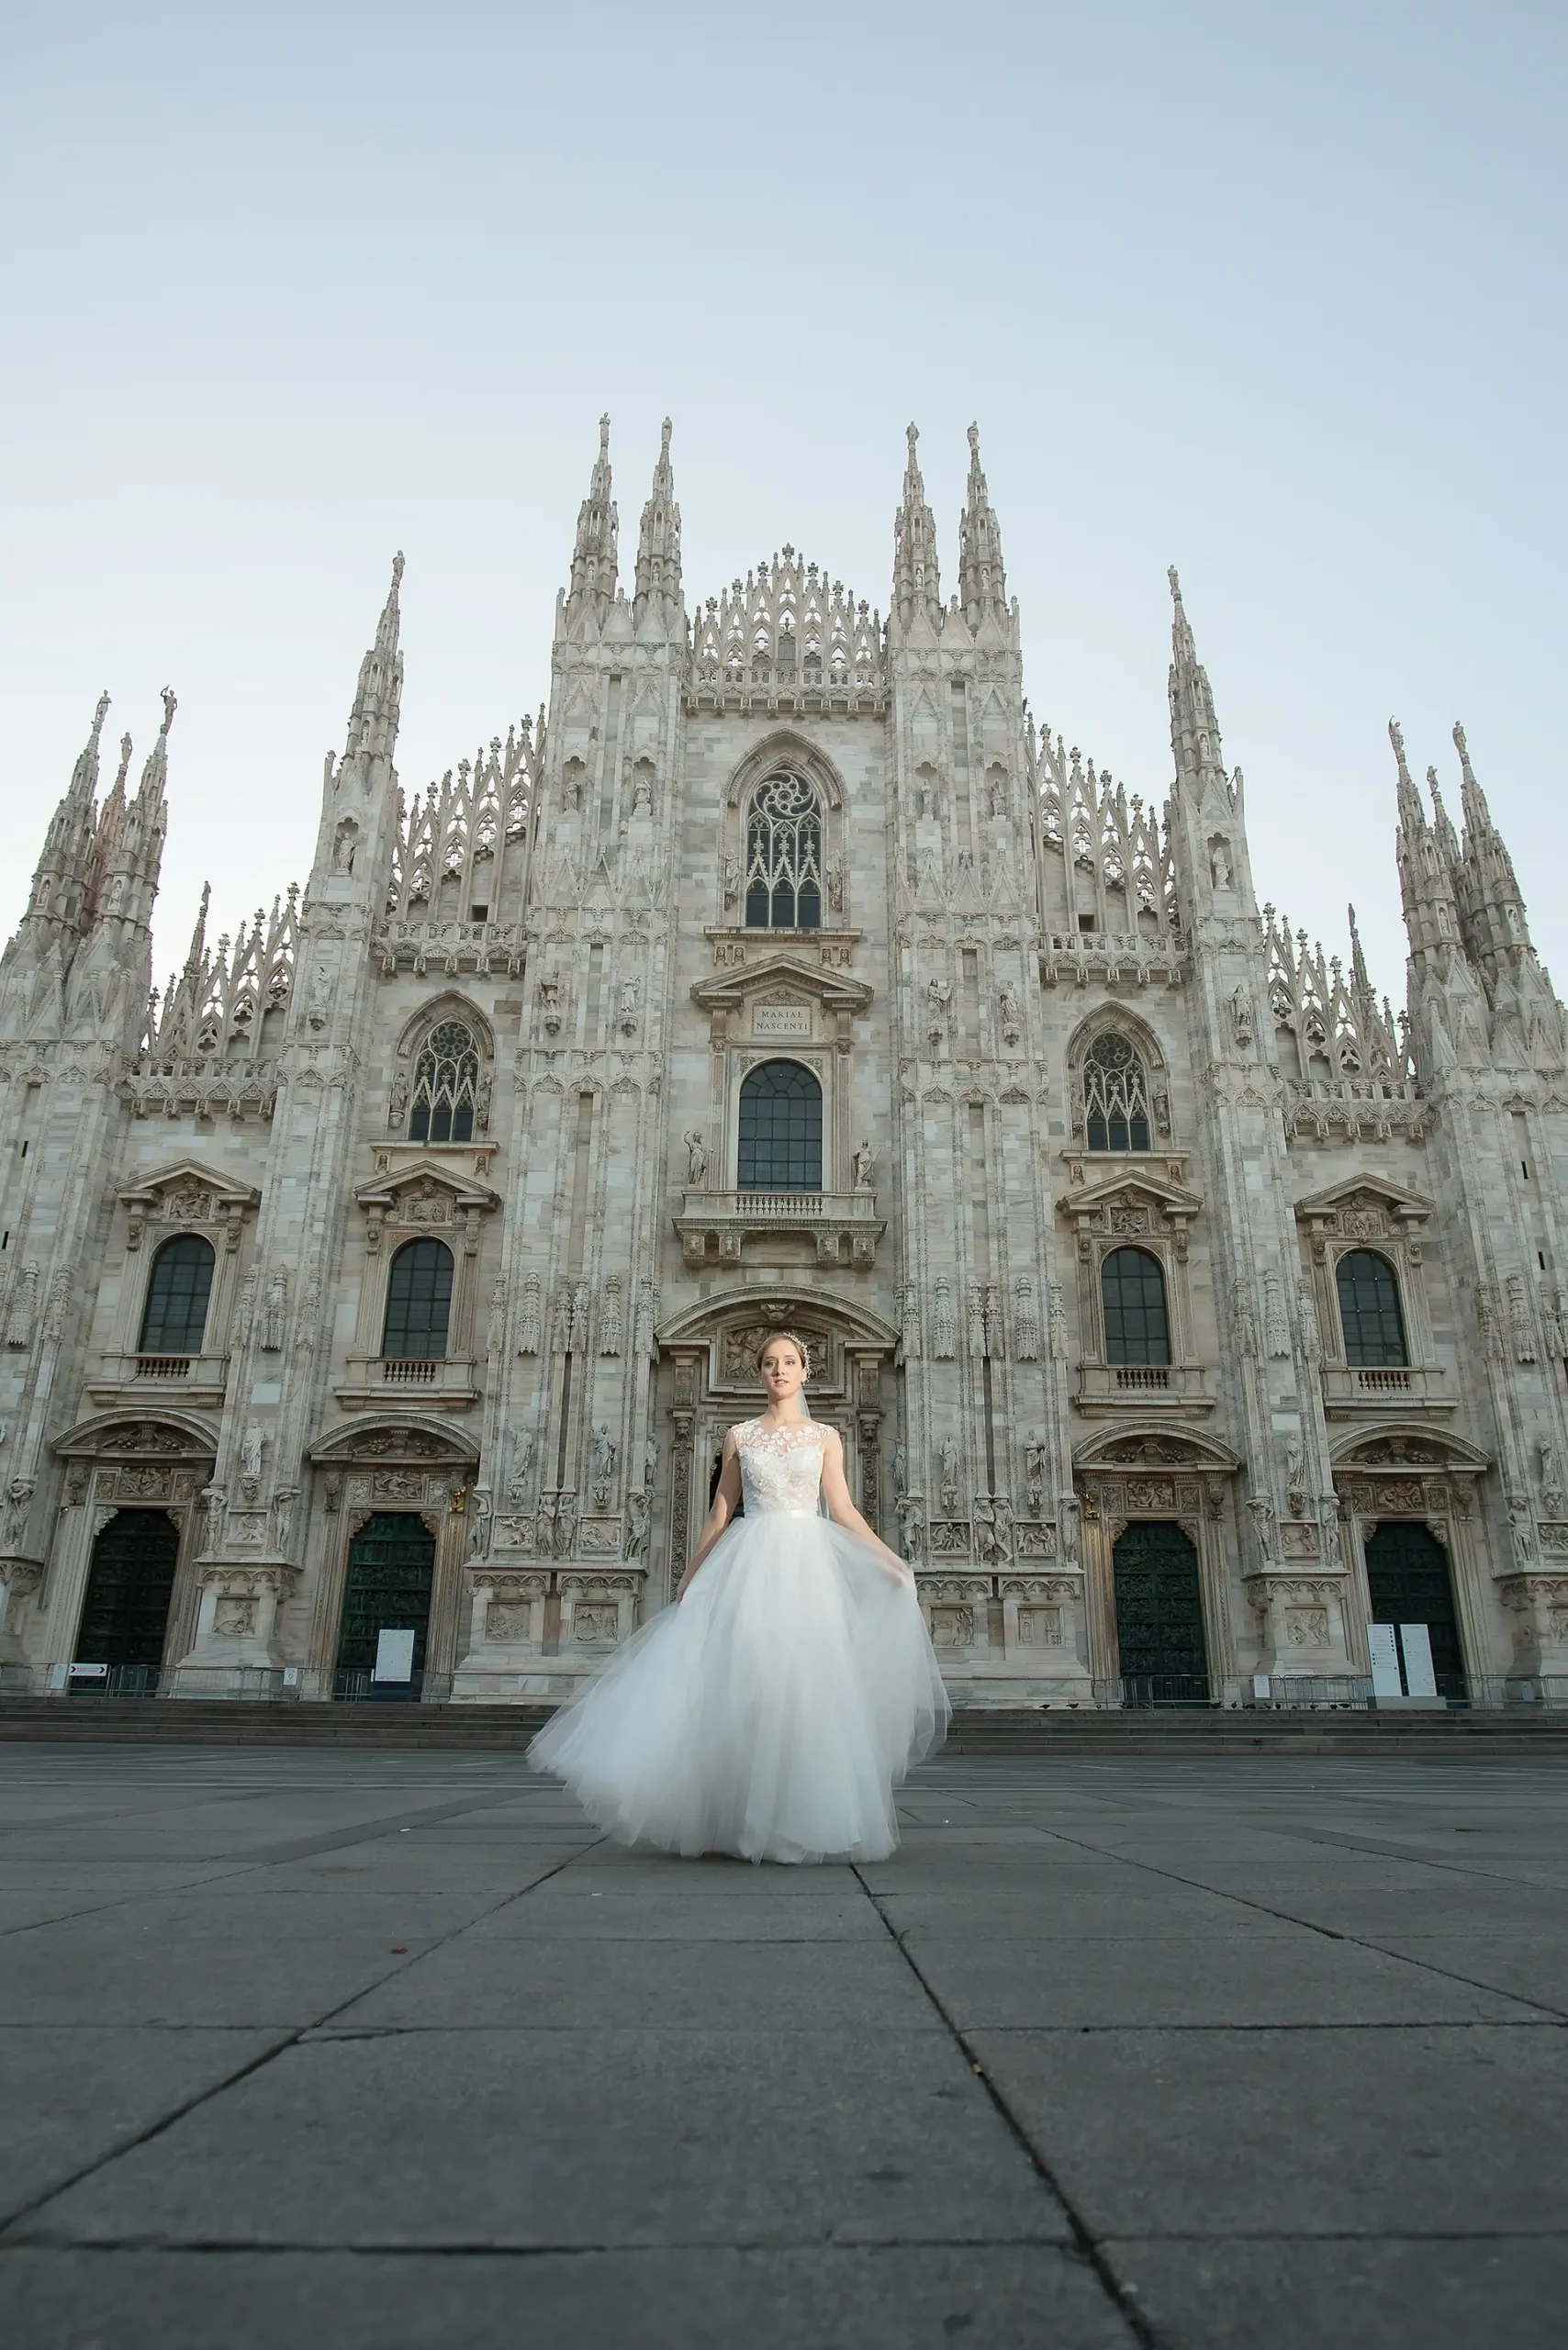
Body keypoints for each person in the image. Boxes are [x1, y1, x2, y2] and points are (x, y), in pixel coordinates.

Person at [529, 1330, 948, 1862]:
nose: (780, 1371)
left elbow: (842, 1509)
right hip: (749, 1561)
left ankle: (794, 1820)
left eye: (789, 1362)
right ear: (759, 1373)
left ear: (805, 1371)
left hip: (806, 1567)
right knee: (746, 1682)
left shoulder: (825, 1437)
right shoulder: (739, 1436)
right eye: (770, 1363)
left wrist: (890, 1559)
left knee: (802, 1688)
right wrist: (689, 1574)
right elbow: (720, 1513)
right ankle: (743, 1819)